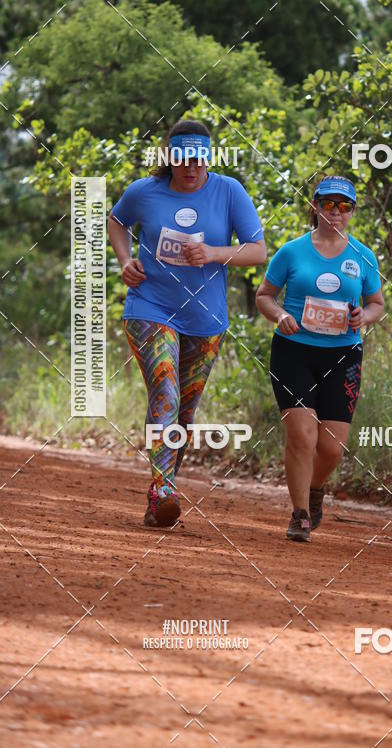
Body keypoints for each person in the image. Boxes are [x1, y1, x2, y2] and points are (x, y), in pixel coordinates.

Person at [108, 120, 266, 527]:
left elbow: (258, 251)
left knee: (185, 412)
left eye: (197, 159)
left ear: (208, 157)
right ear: (169, 158)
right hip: (150, 307)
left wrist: (214, 253)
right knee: (165, 388)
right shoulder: (144, 192)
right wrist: (126, 261)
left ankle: (160, 495)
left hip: (205, 319)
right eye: (181, 159)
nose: (190, 168)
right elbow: (116, 221)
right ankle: (162, 487)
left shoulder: (229, 191)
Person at [255, 175, 384, 542]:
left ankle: (313, 489)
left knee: (331, 447)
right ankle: (299, 515)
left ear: (352, 212)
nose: (336, 213)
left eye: (345, 207)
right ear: (315, 206)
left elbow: (376, 304)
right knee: (301, 434)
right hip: (293, 351)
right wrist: (279, 315)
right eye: (329, 204)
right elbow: (264, 295)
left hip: (343, 354)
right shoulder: (292, 252)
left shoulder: (362, 256)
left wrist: (365, 317)